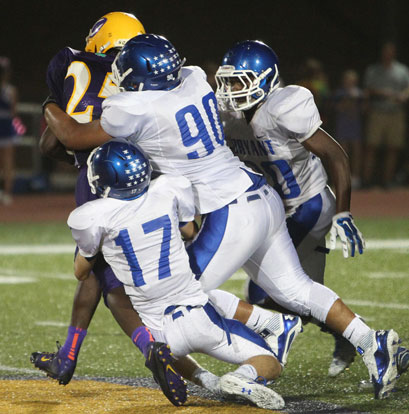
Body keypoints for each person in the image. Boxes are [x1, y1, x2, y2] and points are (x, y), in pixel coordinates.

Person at [43, 33, 406, 400]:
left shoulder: (134, 108)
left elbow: (73, 136)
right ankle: (371, 342)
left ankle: (266, 336)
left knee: (178, 299)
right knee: (296, 288)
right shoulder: (194, 78)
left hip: (228, 209)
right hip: (260, 196)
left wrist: (51, 105)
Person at [215, 39, 409, 380]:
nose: (230, 90)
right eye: (227, 81)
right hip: (276, 209)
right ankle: (366, 343)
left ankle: (265, 358)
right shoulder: (227, 116)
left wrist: (343, 213)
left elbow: (335, 155)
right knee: (301, 293)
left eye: (239, 81)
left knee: (271, 291)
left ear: (265, 79)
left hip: (309, 204)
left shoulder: (284, 106)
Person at [30, 13, 191, 406]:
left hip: (102, 175)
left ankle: (151, 348)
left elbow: (54, 144)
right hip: (153, 176)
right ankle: (67, 358)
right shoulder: (150, 75)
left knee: (103, 278)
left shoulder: (72, 61)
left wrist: (56, 116)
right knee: (119, 273)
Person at [69, 138, 286, 409]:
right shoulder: (169, 188)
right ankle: (241, 377)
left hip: (158, 330)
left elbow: (81, 272)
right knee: (269, 362)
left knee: (144, 330)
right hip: (199, 318)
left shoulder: (92, 216)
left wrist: (93, 247)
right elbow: (189, 230)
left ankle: (206, 380)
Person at [362, 41, 409, 189]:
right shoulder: (373, 70)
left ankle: (387, 181)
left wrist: (403, 95)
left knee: (393, 147)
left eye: (390, 51)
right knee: (371, 146)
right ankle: (366, 181)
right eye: (385, 51)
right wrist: (384, 93)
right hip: (378, 111)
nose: (388, 54)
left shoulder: (402, 70)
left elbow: (407, 88)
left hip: (395, 112)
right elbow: (367, 89)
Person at [333, 69, 365, 190]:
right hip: (343, 125)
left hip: (355, 126)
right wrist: (348, 99)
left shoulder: (360, 93)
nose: (350, 82)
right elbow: (338, 108)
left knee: (356, 151)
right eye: (348, 80)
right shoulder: (339, 93)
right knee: (343, 151)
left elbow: (363, 110)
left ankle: (356, 177)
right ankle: (342, 178)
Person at [0, 57, 20, 205]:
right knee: (8, 162)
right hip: (6, 125)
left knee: (7, 162)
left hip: (5, 126)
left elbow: (13, 112)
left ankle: (7, 192)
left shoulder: (10, 90)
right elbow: (14, 112)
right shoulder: (11, 90)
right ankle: (6, 193)